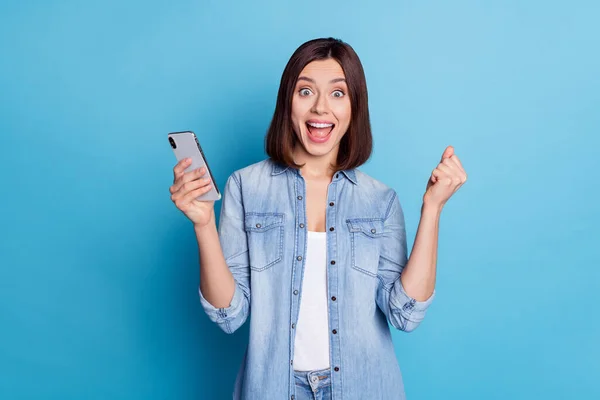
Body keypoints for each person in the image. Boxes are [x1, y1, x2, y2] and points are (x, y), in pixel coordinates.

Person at [169, 37, 467, 400]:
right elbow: (229, 314)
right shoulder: (246, 187)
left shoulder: (379, 200)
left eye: (338, 93)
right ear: (287, 103)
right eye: (305, 91)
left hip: (365, 388)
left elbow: (405, 313)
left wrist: (432, 209)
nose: (321, 108)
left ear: (355, 107)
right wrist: (203, 224)